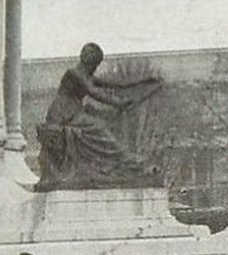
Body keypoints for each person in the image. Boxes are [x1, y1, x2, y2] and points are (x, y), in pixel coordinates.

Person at [35, 42, 163, 189]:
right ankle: (125, 161)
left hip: (74, 113)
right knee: (99, 128)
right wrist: (119, 103)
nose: (95, 68)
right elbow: (94, 93)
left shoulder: (87, 76)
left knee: (100, 127)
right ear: (89, 62)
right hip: (63, 115)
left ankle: (124, 162)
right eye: (95, 64)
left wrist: (145, 80)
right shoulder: (74, 74)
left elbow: (118, 84)